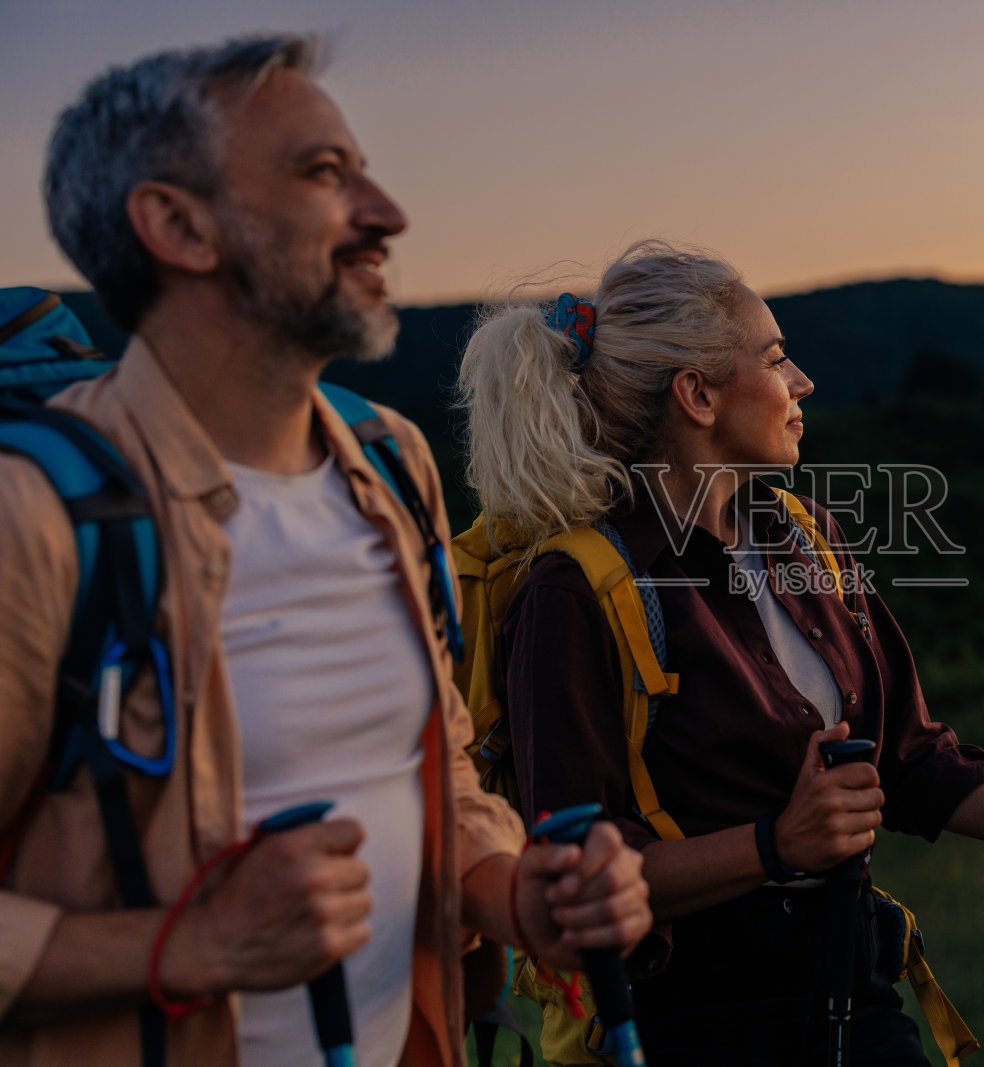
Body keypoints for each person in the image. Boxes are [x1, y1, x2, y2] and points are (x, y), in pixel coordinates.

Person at [0, 35, 651, 1066]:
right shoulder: (33, 515)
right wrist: (192, 945)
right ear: (177, 223)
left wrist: (515, 888)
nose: (386, 211)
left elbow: (433, 767)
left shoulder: (392, 466)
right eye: (322, 172)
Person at [455, 240, 984, 1066]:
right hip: (683, 1025)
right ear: (699, 394)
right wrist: (775, 843)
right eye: (777, 358)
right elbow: (571, 868)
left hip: (853, 989)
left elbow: (909, 756)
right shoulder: (571, 592)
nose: (802, 383)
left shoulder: (804, 537)